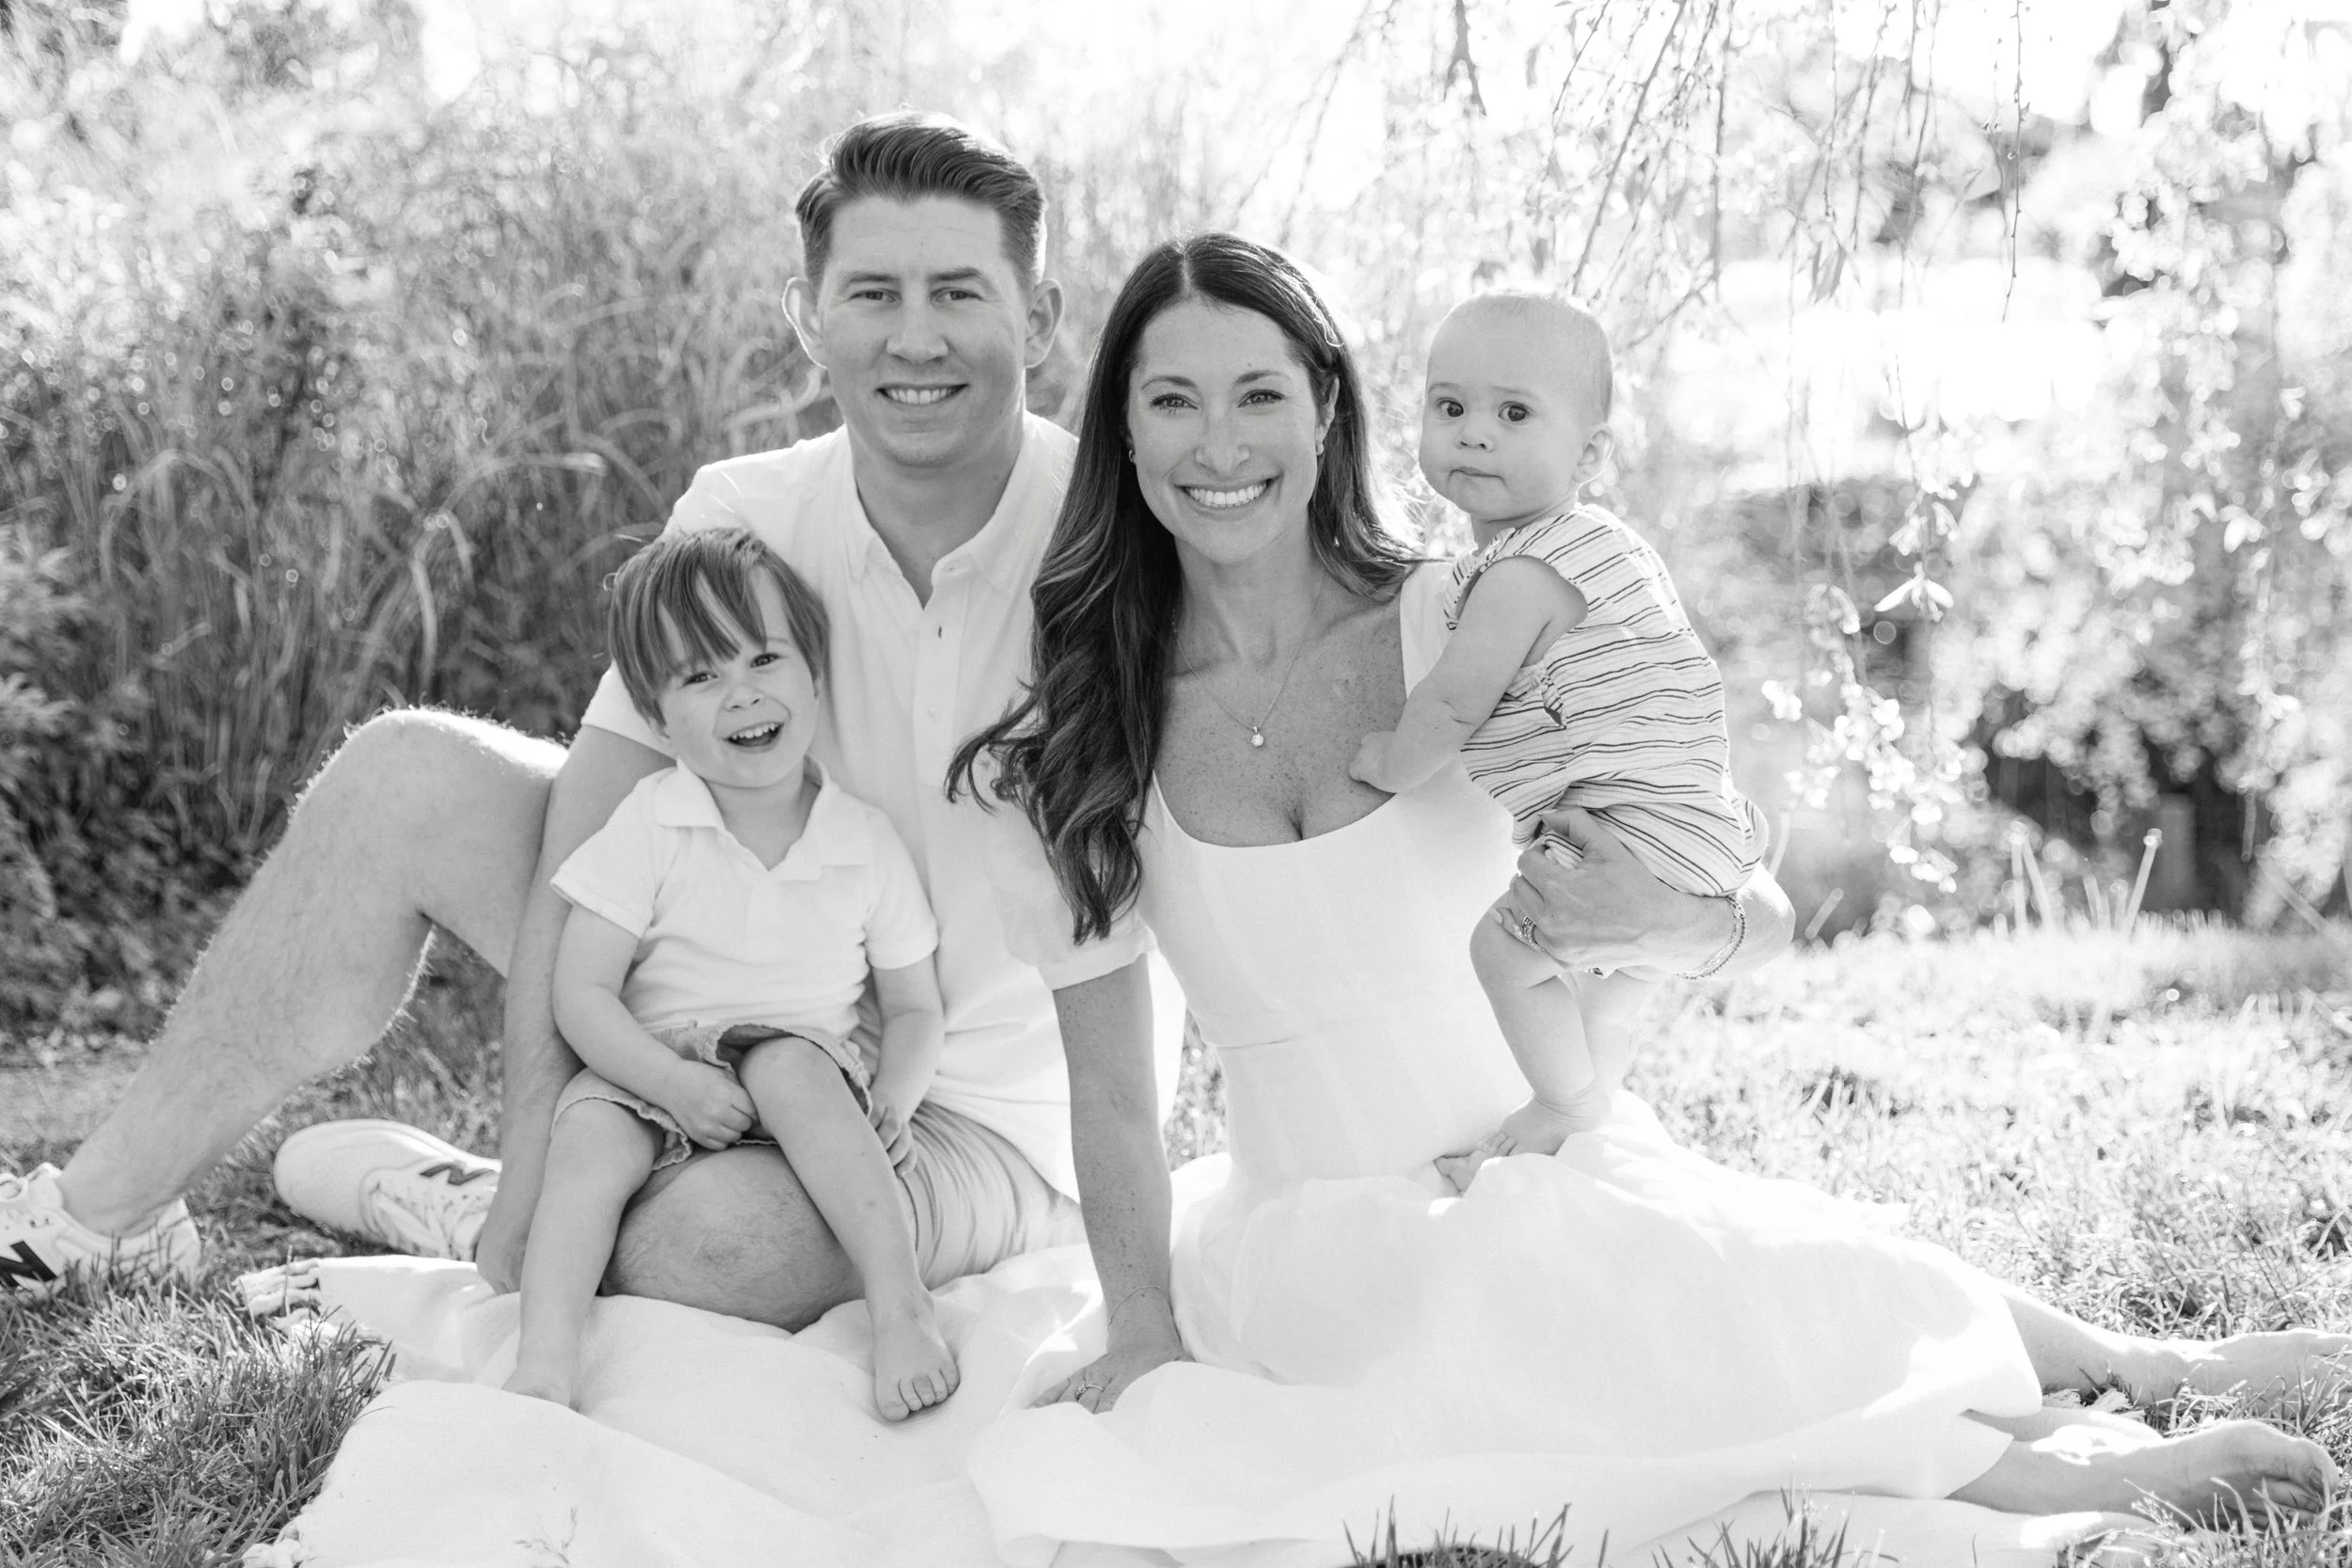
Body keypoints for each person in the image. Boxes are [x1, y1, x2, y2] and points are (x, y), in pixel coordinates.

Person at [949, 230, 2343, 1558]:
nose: (1218, 443)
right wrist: (1141, 1322)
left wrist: (1664, 933)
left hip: (1546, 1149)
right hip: (1310, 1234)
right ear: (1120, 429)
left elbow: (1740, 902)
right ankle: (2052, 1466)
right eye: (1171, 399)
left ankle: (2147, 1366)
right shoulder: (1098, 720)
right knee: (1549, 1308)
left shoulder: (1476, 615)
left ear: (1327, 407)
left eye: (1258, 392)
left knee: (1718, 1270)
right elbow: (1118, 1090)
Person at [0, 113, 1126, 1322]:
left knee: (719, 1251)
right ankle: (96, 1218)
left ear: (1042, 318)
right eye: (872, 293)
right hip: (716, 991)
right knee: (402, 776)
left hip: (969, 1113)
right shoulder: (739, 510)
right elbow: (584, 855)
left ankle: (468, 1203)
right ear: (808, 319)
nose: (915, 338)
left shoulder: (1116, 537)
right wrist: (537, 1153)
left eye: (958, 291)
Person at [507, 528, 956, 1419]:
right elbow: (580, 991)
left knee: (793, 1065)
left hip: (801, 1068)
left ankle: (901, 1310)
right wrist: (668, 1081)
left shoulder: (860, 842)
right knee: (588, 1143)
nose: (742, 694)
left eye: (764, 658)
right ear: (656, 713)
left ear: (814, 674)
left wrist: (894, 1102)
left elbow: (913, 1009)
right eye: (701, 676)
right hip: (654, 1060)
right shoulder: (652, 822)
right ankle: (547, 1358)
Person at [1350, 292, 1765, 1189]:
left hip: (1626, 827)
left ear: (1589, 453)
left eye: (1513, 412)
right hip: (1695, 825)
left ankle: (1566, 1105)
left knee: (1504, 954)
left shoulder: (1526, 566)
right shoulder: (1610, 549)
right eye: (1449, 407)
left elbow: (1455, 702)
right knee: (1608, 995)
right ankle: (1585, 1127)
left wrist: (1388, 759)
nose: (1474, 434)